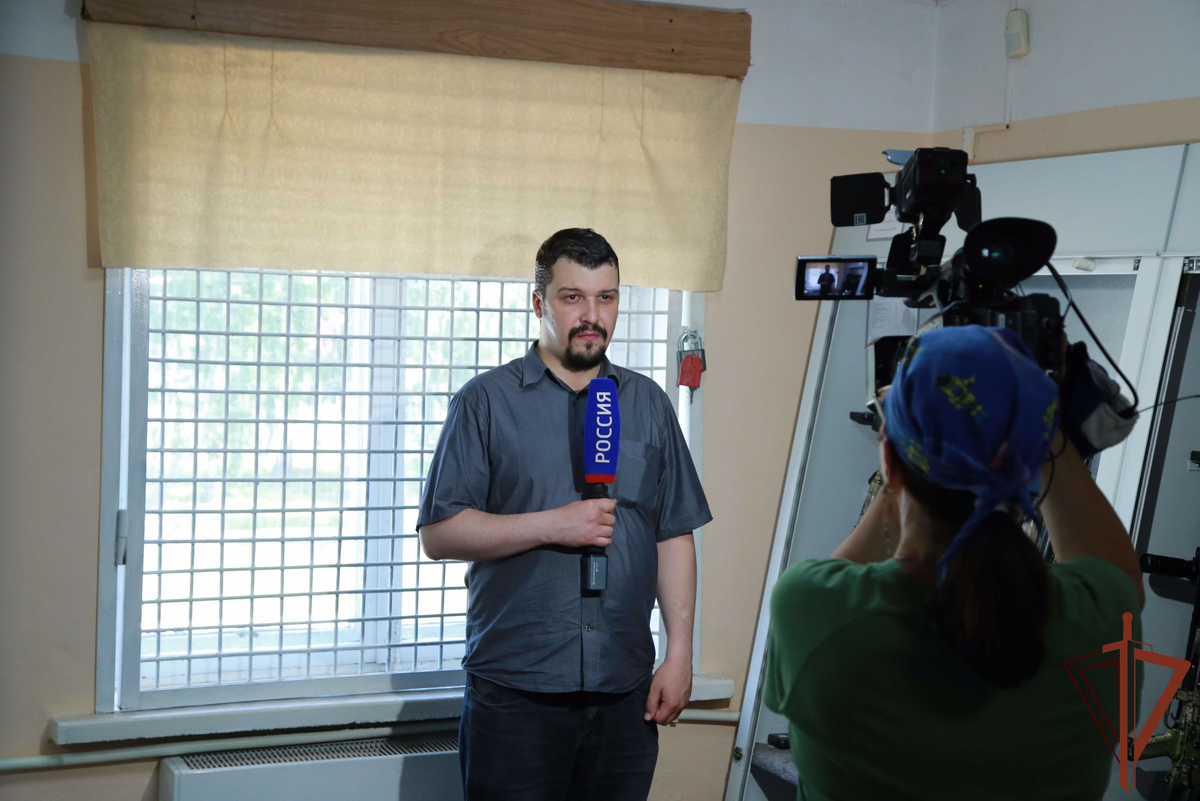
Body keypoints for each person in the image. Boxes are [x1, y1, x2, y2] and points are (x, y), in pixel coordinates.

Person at [764, 326, 1145, 800]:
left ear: (889, 460)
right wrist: (1034, 417)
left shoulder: (815, 613)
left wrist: (906, 442)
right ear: (1031, 450)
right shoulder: (1102, 624)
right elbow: (1120, 579)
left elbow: (839, 575)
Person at [418, 228, 711, 801]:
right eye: (573, 297)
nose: (592, 316)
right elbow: (440, 533)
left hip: (624, 690)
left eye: (606, 298)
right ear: (539, 303)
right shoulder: (485, 401)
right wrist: (554, 524)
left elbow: (673, 532)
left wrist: (680, 652)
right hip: (516, 694)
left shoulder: (648, 404)